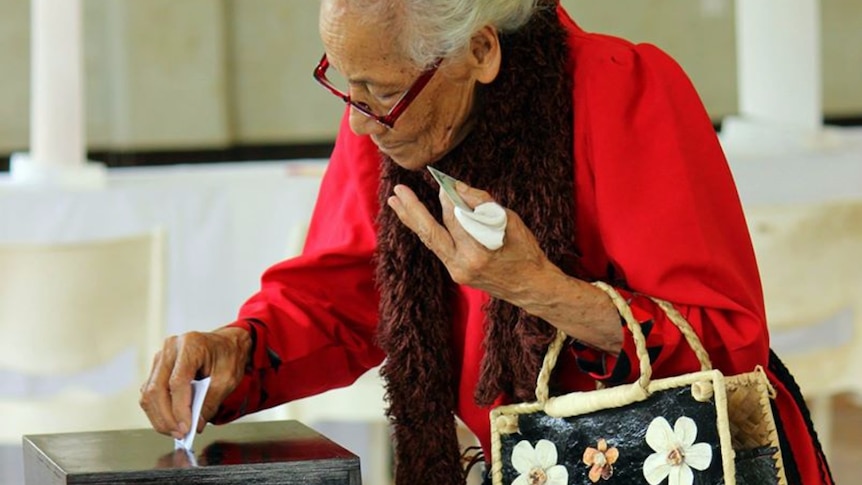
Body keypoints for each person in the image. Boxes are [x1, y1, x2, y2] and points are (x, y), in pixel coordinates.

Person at [139, 1, 834, 483]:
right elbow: (341, 299)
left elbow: (728, 339)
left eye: (377, 92)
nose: (356, 124)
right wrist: (237, 349)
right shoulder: (387, 116)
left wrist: (538, 287)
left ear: (480, 49)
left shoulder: (625, 91)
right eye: (344, 84)